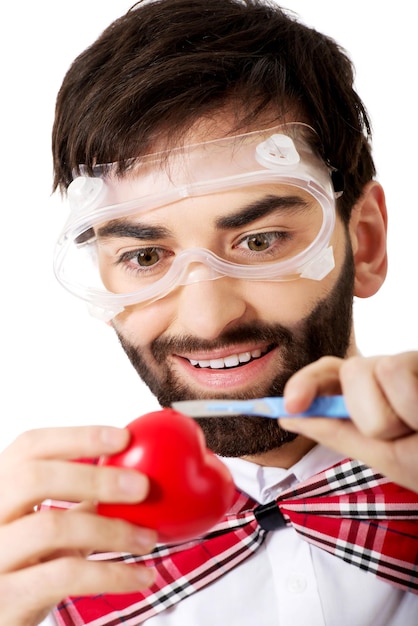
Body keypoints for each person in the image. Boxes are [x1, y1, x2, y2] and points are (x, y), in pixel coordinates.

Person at [0, 0, 417, 624]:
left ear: (366, 242)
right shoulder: (37, 575)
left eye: (260, 240)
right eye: (144, 255)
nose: (206, 320)